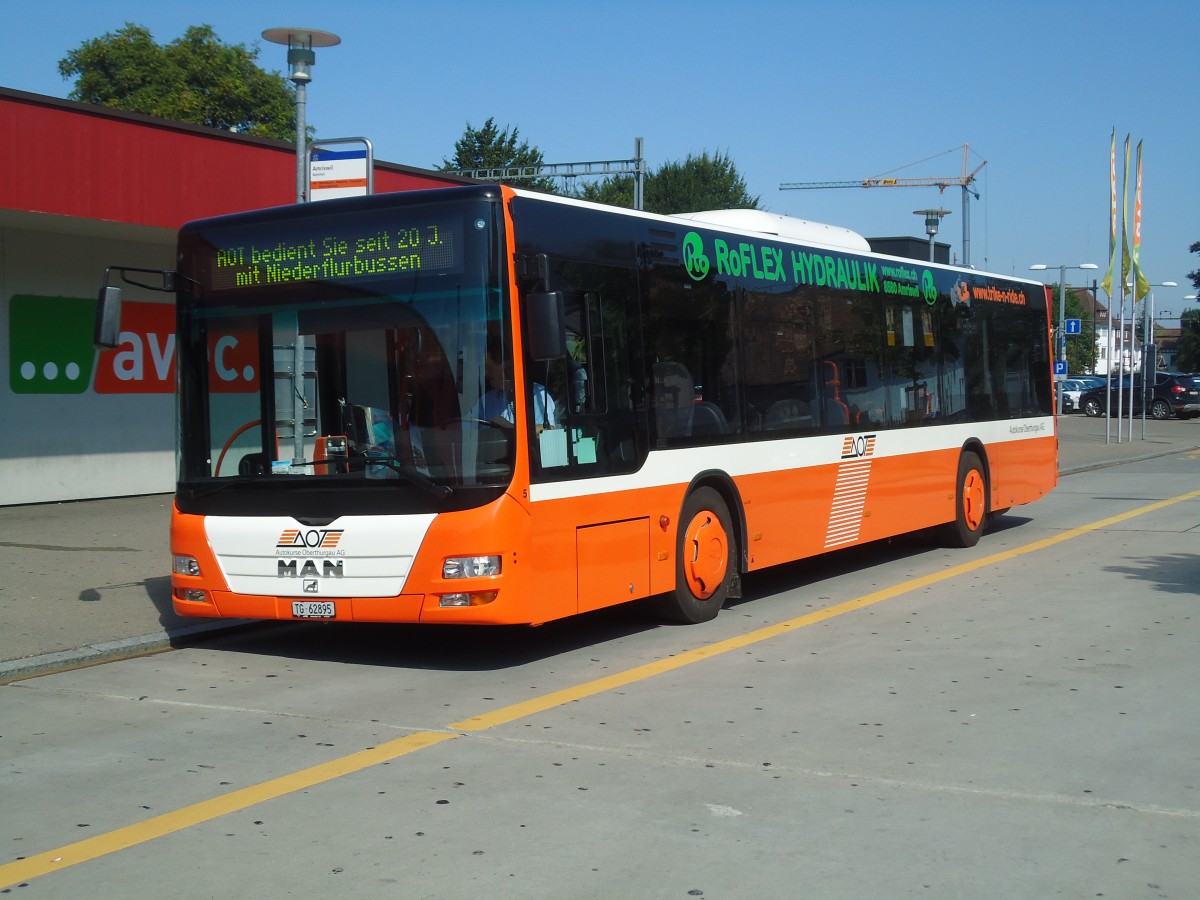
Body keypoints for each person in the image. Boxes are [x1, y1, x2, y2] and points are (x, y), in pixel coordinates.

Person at [471, 337, 556, 428]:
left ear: (505, 366)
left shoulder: (535, 394)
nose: (485, 373)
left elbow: (548, 430)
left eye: (488, 367)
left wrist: (511, 428)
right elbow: (466, 424)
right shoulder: (486, 401)